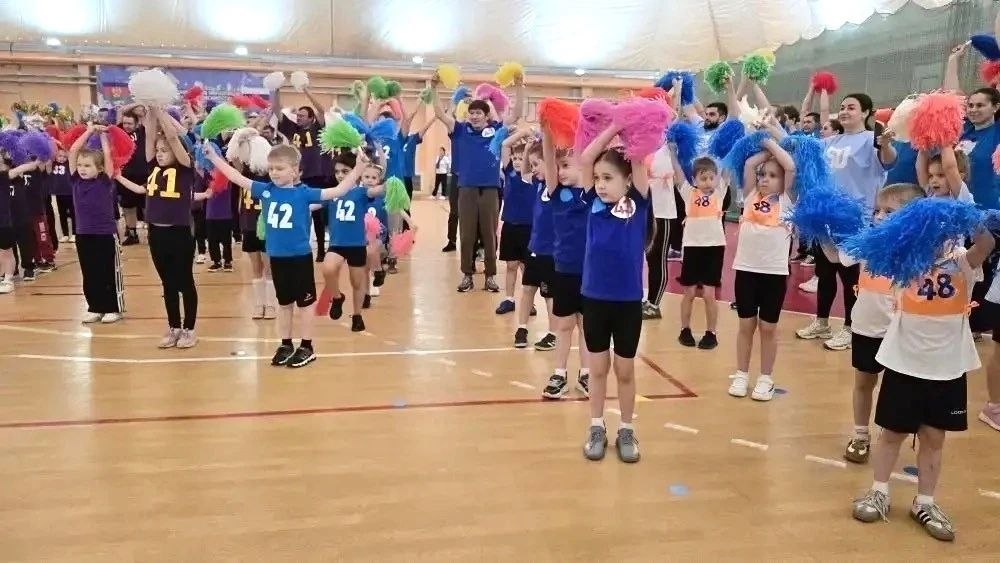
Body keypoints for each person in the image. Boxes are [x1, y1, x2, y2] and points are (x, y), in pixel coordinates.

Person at [852, 226, 995, 542]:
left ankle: (925, 502)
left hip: (946, 365)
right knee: (892, 433)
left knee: (934, 437)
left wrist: (967, 213)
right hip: (904, 361)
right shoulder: (904, 259)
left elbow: (986, 243)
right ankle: (879, 491)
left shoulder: (962, 260)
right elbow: (869, 248)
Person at [206, 143, 344, 368]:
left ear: (294, 170)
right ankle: (286, 344)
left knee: (305, 304)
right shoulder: (266, 190)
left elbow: (336, 191)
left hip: (299, 257)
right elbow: (236, 177)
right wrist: (214, 157)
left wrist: (358, 170)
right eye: (271, 168)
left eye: (280, 168)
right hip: (277, 257)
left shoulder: (304, 193)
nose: (274, 172)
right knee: (284, 303)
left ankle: (307, 346)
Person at [576, 119, 653, 464]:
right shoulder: (592, 203)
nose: (601, 184)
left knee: (624, 370)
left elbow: (638, 159)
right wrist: (614, 127)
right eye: (598, 179)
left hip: (627, 302)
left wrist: (630, 130)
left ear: (627, 181)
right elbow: (586, 158)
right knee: (597, 370)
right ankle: (596, 426)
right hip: (594, 298)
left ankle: (625, 428)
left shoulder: (638, 202)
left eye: (608, 178)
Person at [796, 93, 896, 351]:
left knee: (850, 276)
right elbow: (802, 147)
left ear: (865, 112)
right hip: (826, 218)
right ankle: (822, 322)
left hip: (854, 220)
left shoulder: (872, 140)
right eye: (842, 107)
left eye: (851, 107)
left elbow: (888, 160)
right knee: (824, 273)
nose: (844, 111)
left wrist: (885, 145)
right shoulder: (831, 141)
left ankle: (851, 327)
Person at [843, 183, 925, 465]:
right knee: (864, 381)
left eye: (888, 212)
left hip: (900, 330)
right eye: (877, 210)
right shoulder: (867, 241)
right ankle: (860, 434)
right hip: (866, 325)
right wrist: (822, 230)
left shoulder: (917, 249)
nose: (879, 216)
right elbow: (837, 257)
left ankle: (889, 436)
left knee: (896, 389)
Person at [116, 107, 206, 348]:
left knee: (184, 281)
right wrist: (150, 112)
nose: (160, 154)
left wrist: (159, 110)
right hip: (156, 232)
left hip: (179, 231)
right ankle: (174, 326)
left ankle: (189, 329)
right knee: (167, 283)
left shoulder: (184, 168)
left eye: (164, 151)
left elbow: (174, 138)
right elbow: (149, 135)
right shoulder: (152, 167)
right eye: (158, 150)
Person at [429, 71, 525, 292]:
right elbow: (440, 114)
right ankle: (467, 275)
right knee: (467, 234)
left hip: (490, 189)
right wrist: (434, 87)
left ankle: (490, 275)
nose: (474, 116)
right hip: (467, 189)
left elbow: (517, 113)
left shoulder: (496, 130)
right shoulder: (460, 130)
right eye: (471, 112)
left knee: (490, 234)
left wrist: (519, 86)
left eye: (478, 113)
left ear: (486, 115)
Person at [727, 117, 797, 402]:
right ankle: (741, 374)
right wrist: (764, 148)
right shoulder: (750, 194)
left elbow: (790, 165)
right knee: (746, 325)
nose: (765, 179)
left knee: (768, 327)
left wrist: (768, 139)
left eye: (772, 175)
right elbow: (748, 164)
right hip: (746, 270)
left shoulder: (788, 200)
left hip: (774, 273)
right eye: (763, 174)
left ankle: (766, 377)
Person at [540, 127, 590, 400]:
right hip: (564, 269)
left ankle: (586, 373)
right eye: (558, 167)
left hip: (591, 272)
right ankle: (559, 373)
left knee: (586, 325)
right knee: (564, 325)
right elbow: (548, 159)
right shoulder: (557, 192)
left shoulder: (593, 193)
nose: (560, 172)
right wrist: (547, 131)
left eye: (566, 166)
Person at [67, 125, 124, 322]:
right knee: (89, 272)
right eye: (80, 165)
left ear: (99, 169)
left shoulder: (104, 181)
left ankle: (112, 308)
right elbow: (73, 150)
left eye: (87, 165)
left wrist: (103, 136)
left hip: (104, 234)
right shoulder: (76, 181)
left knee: (106, 271)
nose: (82, 169)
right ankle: (95, 307)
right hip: (83, 234)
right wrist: (89, 131)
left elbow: (107, 155)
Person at [323, 150, 384, 333]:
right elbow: (314, 202)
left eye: (345, 171)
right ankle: (337, 297)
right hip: (336, 244)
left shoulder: (361, 192)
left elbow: (378, 189)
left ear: (355, 172)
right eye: (337, 171)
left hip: (356, 245)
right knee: (328, 269)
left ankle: (357, 315)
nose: (340, 175)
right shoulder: (332, 193)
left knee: (357, 283)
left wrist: (391, 183)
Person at [673, 155, 727, 349]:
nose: (708, 182)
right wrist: (672, 153)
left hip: (714, 248)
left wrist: (730, 144)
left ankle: (711, 333)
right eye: (703, 178)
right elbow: (678, 173)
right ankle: (684, 329)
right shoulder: (688, 193)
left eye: (711, 178)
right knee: (689, 292)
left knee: (709, 294)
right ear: (694, 180)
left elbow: (727, 168)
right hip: (692, 247)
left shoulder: (719, 192)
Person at [270, 83, 328, 262]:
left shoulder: (317, 129)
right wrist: (276, 89)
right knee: (300, 212)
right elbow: (277, 110)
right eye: (298, 115)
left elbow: (321, 110)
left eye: (302, 116)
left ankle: (321, 250)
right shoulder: (292, 128)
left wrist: (305, 90)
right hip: (297, 176)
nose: (299, 118)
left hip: (316, 175)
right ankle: (300, 245)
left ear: (311, 119)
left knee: (317, 215)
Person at [513, 138, 556, 351]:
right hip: (534, 249)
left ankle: (553, 333)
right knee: (528, 289)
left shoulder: (556, 188)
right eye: (532, 164)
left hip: (551, 252)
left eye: (537, 164)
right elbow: (524, 173)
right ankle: (522, 328)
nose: (533, 168)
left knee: (549, 295)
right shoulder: (538, 185)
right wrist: (529, 148)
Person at [495, 125, 535, 316]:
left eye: (521, 159)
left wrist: (529, 145)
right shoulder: (509, 171)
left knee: (526, 266)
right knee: (511, 264)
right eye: (515, 158)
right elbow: (505, 144)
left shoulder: (532, 177)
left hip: (529, 227)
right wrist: (523, 133)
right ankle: (509, 299)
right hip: (510, 225)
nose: (518, 162)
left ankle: (529, 301)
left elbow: (535, 155)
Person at [642, 141, 677, 320]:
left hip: (663, 214)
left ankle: (654, 304)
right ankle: (648, 301)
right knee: (649, 259)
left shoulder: (669, 148)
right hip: (644, 212)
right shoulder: (642, 147)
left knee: (657, 259)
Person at [0, 155, 40, 294]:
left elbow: (22, 168)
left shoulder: (6, 177)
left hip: (11, 220)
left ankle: (11, 278)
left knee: (10, 250)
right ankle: (6, 274)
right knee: (3, 252)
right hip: (6, 221)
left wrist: (37, 160)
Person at [116, 106, 148, 246]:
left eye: (130, 123)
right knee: (128, 207)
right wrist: (134, 105)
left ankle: (151, 232)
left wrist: (140, 105)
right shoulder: (120, 131)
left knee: (147, 206)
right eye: (125, 123)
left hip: (144, 175)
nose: (127, 126)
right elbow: (121, 111)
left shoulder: (142, 132)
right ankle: (132, 234)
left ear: (136, 123)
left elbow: (146, 117)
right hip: (125, 177)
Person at [50, 148, 74, 243]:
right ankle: (65, 234)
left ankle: (75, 234)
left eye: (64, 157)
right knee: (62, 213)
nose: (62, 158)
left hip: (70, 192)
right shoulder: (53, 163)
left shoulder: (69, 164)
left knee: (73, 213)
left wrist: (66, 148)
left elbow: (71, 154)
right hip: (59, 193)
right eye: (60, 156)